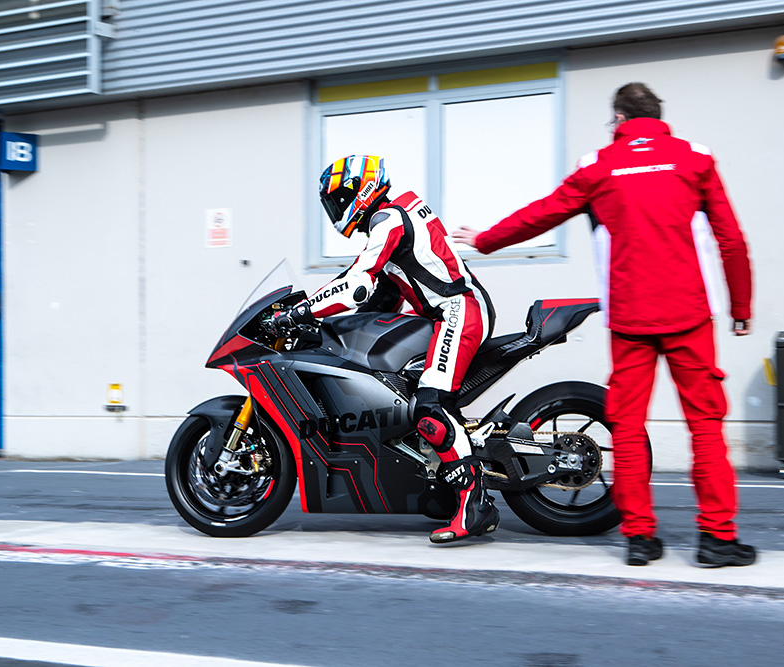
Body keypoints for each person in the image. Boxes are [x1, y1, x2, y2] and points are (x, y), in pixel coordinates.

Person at [453, 83, 756, 567]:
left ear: (618, 119)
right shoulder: (695, 159)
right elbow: (732, 241)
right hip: (689, 316)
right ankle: (717, 540)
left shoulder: (600, 166)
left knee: (628, 426)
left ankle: (640, 539)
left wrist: (487, 240)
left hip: (631, 318)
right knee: (705, 425)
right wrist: (741, 307)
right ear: (658, 117)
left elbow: (544, 213)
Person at [275, 154, 499, 543]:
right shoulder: (394, 218)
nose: (337, 209)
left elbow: (357, 285)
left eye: (339, 199)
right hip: (454, 311)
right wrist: (329, 324)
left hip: (459, 311)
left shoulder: (388, 219)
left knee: (430, 406)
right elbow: (382, 295)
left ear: (360, 191)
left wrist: (301, 312)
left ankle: (474, 504)